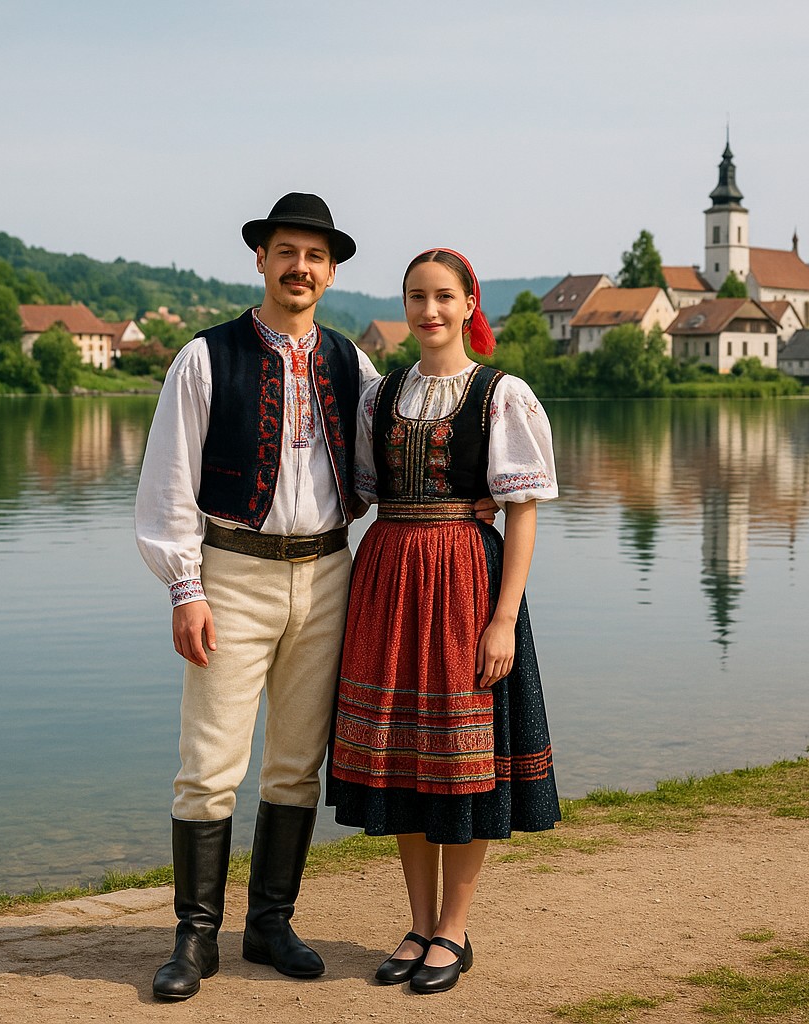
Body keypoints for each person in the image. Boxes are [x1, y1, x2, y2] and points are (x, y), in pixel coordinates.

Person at [134, 192, 379, 1001]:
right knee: (209, 765)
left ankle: (270, 924)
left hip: (330, 571)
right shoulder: (205, 358)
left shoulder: (352, 364)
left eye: (315, 256)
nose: (300, 267)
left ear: (331, 271)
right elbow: (168, 481)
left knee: (297, 764)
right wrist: (185, 589)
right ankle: (195, 937)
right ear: (262, 260)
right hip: (232, 574)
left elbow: (392, 453)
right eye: (287, 252)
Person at [327, 247, 560, 995]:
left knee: (462, 760)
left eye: (442, 297)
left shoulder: (501, 394)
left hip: (465, 583)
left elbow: (522, 512)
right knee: (405, 755)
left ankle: (454, 929)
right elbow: (361, 491)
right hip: (389, 579)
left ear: (469, 305)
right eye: (415, 297)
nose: (428, 311)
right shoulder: (381, 395)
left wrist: (504, 617)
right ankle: (418, 922)